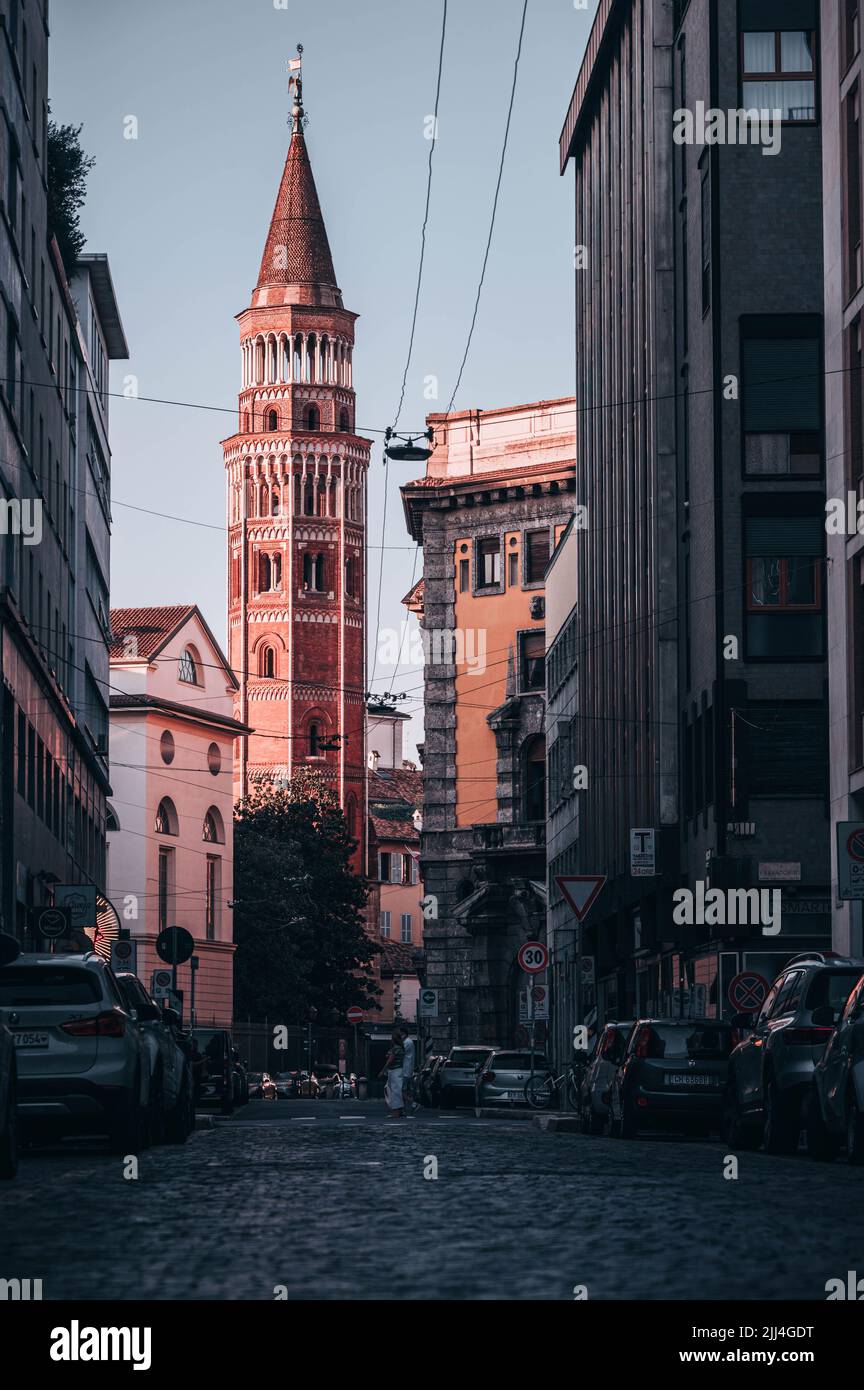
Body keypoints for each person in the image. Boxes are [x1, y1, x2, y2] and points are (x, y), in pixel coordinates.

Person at [378, 1029, 405, 1118]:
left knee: (394, 1092)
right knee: (397, 1090)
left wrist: (382, 1071)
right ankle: (399, 1110)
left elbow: (390, 1061)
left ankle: (396, 1112)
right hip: (399, 1070)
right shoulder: (401, 1048)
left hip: (394, 1071)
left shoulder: (396, 1048)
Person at [402, 1031, 417, 1113]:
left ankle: (413, 1103)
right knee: (406, 1090)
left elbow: (401, 1052)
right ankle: (403, 1109)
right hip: (407, 1069)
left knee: (401, 1091)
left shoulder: (407, 1042)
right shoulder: (408, 1042)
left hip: (406, 1070)